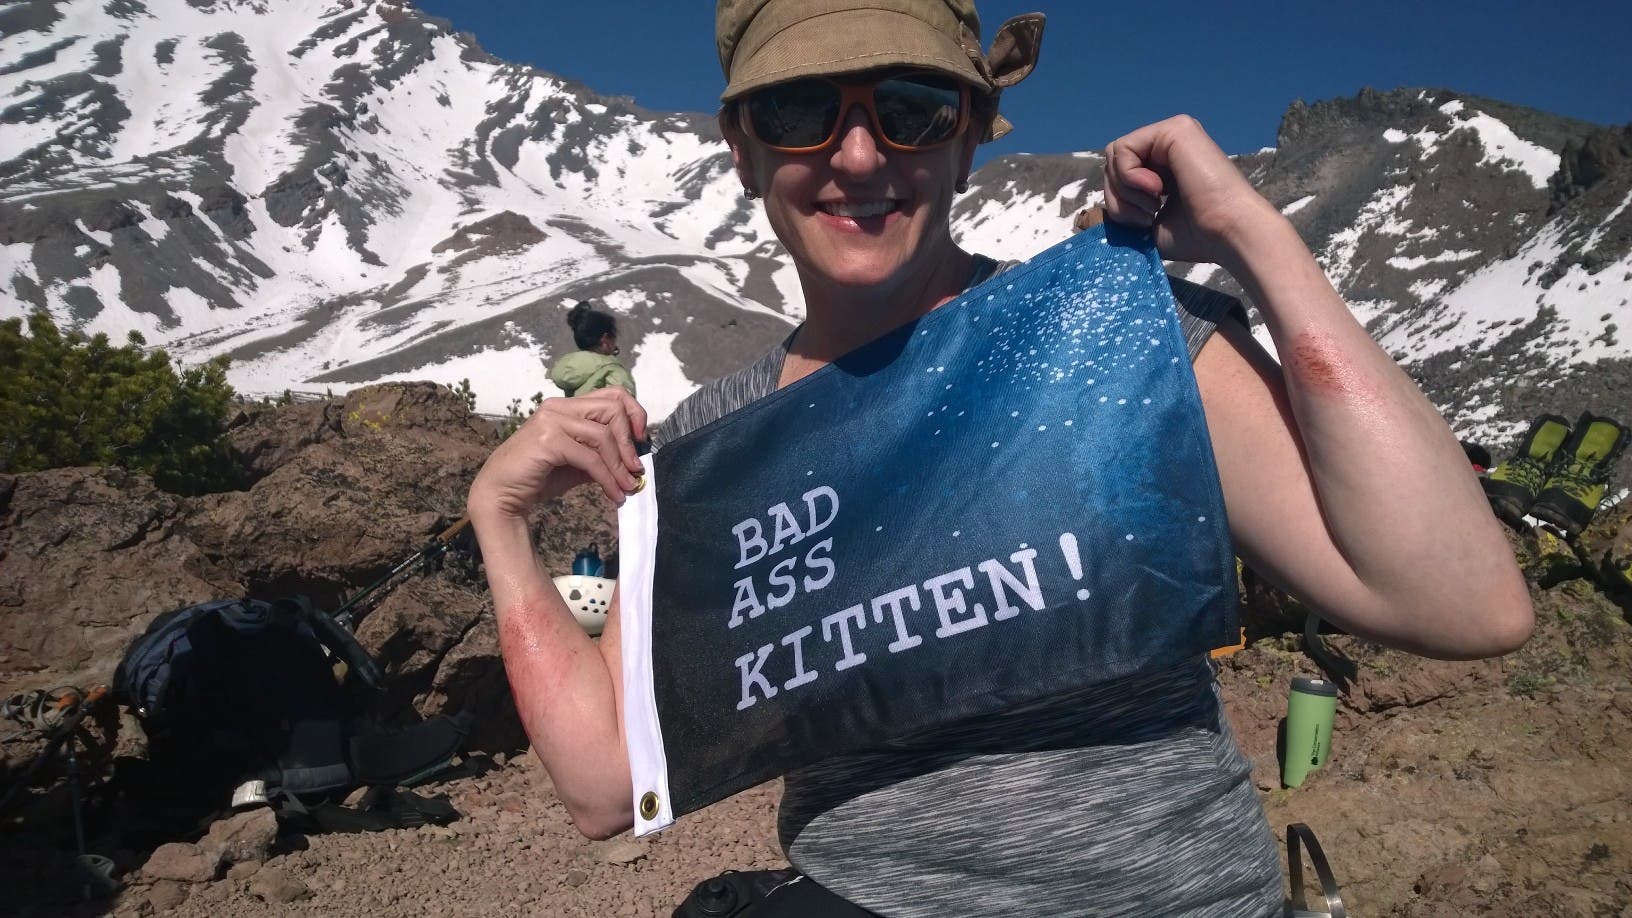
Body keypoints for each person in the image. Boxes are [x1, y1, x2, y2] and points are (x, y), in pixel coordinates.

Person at [467, 1, 1535, 914]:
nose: (856, 156)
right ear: (742, 147)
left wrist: (1258, 239)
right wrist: (501, 523)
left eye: (911, 108)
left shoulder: (1111, 336)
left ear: (971, 130)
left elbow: (1463, 604)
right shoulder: (713, 449)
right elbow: (610, 782)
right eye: (800, 113)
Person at [549, 300, 636, 397]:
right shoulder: (612, 369)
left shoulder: (572, 369)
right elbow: (626, 408)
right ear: (605, 339)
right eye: (613, 338)